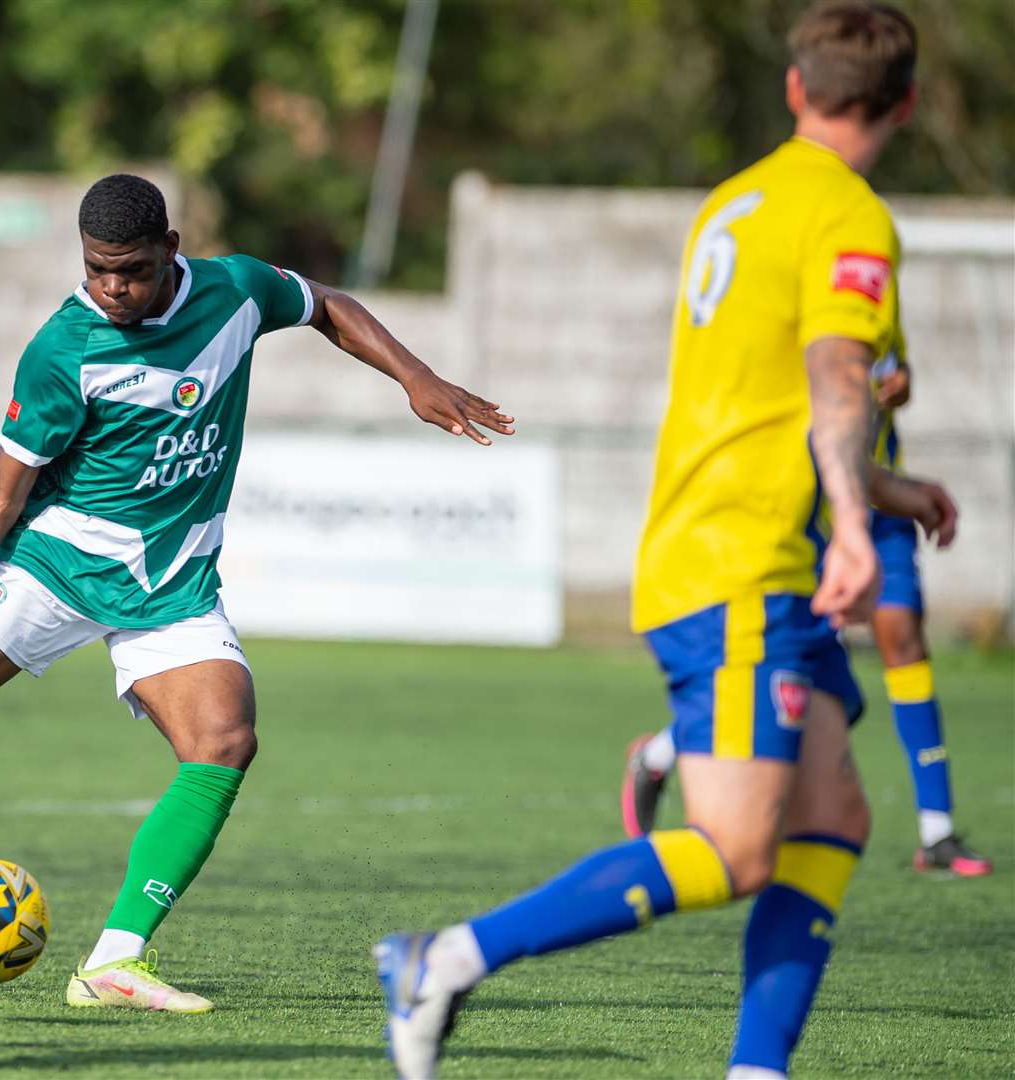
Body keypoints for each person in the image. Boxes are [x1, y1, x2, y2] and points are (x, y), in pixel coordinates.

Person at [374, 5, 959, 1077]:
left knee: (831, 820)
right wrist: (857, 526)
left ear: (795, 89)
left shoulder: (735, 203)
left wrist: (886, 483)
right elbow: (837, 377)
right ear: (906, 103)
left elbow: (767, 402)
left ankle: (756, 1070)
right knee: (739, 849)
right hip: (743, 565)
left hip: (728, 544)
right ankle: (443, 959)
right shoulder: (850, 216)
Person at [0, 172, 513, 1013]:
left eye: (128, 269)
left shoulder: (234, 290)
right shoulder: (65, 347)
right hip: (59, 565)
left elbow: (328, 304)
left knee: (226, 739)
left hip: (172, 582)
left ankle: (113, 962)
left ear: (171, 248)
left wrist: (416, 377)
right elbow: (1, 492)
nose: (112, 288)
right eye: (96, 270)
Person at [621, 344, 991, 876]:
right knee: (795, 679)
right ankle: (475, 949)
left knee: (897, 643)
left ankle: (937, 831)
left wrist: (900, 387)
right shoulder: (799, 290)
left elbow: (887, 371)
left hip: (879, 499)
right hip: (809, 503)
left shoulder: (878, 293)